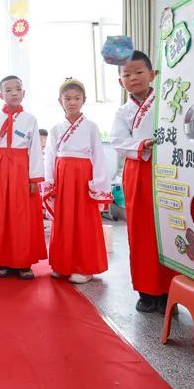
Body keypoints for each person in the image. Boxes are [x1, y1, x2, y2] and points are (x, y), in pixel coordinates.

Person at [112, 50, 175, 313]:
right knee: (140, 230)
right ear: (120, 81)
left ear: (152, 74)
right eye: (127, 75)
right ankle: (147, 291)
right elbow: (118, 142)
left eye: (139, 72)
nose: (134, 78)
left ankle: (170, 292)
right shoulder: (123, 111)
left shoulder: (168, 101)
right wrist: (141, 145)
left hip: (168, 168)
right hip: (138, 169)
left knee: (169, 227)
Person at [44, 79, 112, 284]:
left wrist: (97, 184)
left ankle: (84, 267)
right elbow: (49, 157)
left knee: (83, 220)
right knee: (63, 219)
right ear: (60, 101)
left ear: (84, 100)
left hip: (83, 177)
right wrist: (50, 182)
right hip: (62, 175)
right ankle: (62, 264)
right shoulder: (56, 128)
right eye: (67, 98)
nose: (72, 102)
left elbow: (99, 156)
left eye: (77, 98)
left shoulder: (91, 127)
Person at [0, 76, 46, 279]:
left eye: (18, 89)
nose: (13, 93)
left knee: (22, 215)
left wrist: (34, 178)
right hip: (0, 168)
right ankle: (3, 260)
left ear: (24, 93)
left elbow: (35, 149)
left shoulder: (30, 119)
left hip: (21, 168)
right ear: (0, 94)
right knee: (0, 213)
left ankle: (23, 261)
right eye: (8, 90)